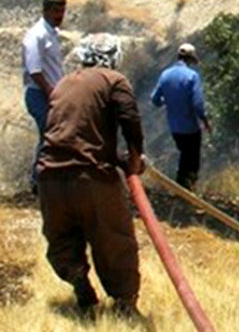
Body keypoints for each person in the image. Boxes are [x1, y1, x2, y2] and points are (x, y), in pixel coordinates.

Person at [37, 33, 143, 317]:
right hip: (91, 178)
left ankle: (79, 284)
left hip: (50, 178)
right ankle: (124, 306)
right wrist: (134, 159)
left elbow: (69, 131)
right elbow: (129, 117)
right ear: (114, 57)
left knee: (62, 239)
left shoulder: (63, 84)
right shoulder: (114, 80)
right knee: (114, 240)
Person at [23, 0, 67, 193]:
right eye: (56, 11)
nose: (60, 15)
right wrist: (51, 92)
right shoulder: (36, 34)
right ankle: (37, 181)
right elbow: (34, 71)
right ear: (46, 10)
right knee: (49, 136)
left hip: (51, 92)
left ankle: (46, 178)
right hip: (39, 94)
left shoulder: (52, 33)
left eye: (62, 11)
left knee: (54, 135)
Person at [151, 43, 211, 190]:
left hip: (174, 128)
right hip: (190, 127)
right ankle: (186, 188)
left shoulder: (165, 74)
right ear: (190, 59)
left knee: (184, 153)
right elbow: (197, 104)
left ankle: (181, 186)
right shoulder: (192, 76)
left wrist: (168, 101)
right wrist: (205, 121)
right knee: (192, 159)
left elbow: (155, 99)